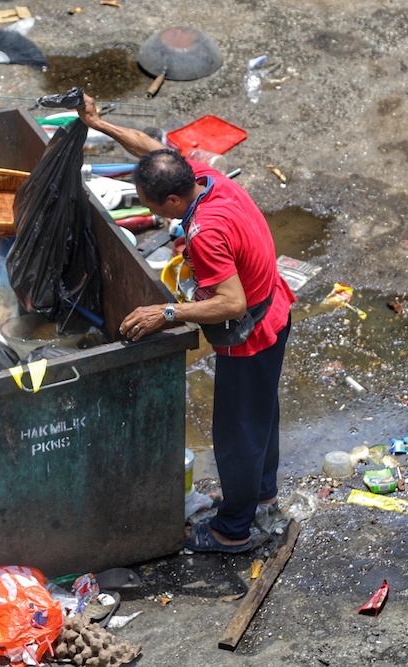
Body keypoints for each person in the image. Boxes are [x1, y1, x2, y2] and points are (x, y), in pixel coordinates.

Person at [78, 94, 296, 553]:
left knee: (236, 435)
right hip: (277, 310)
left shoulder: (205, 234)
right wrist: (100, 125)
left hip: (250, 332)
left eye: (158, 209)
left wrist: (168, 312)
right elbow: (148, 151)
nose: (158, 216)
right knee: (260, 416)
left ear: (175, 198)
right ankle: (262, 495)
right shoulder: (206, 176)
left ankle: (232, 530)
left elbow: (232, 303)